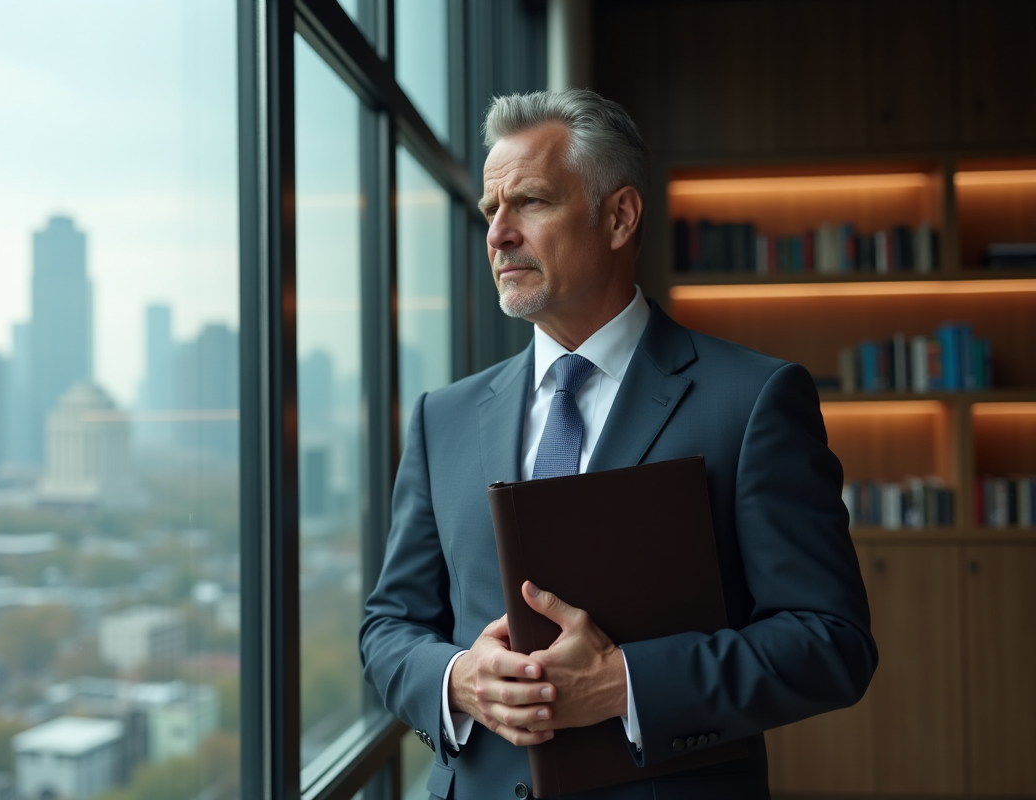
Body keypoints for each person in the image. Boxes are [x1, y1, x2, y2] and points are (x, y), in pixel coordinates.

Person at [359, 89, 877, 800]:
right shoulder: (439, 418)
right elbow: (390, 627)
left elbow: (832, 643)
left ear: (619, 216)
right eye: (490, 211)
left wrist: (624, 683)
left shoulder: (754, 401)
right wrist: (458, 682)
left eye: (531, 202)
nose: (498, 234)